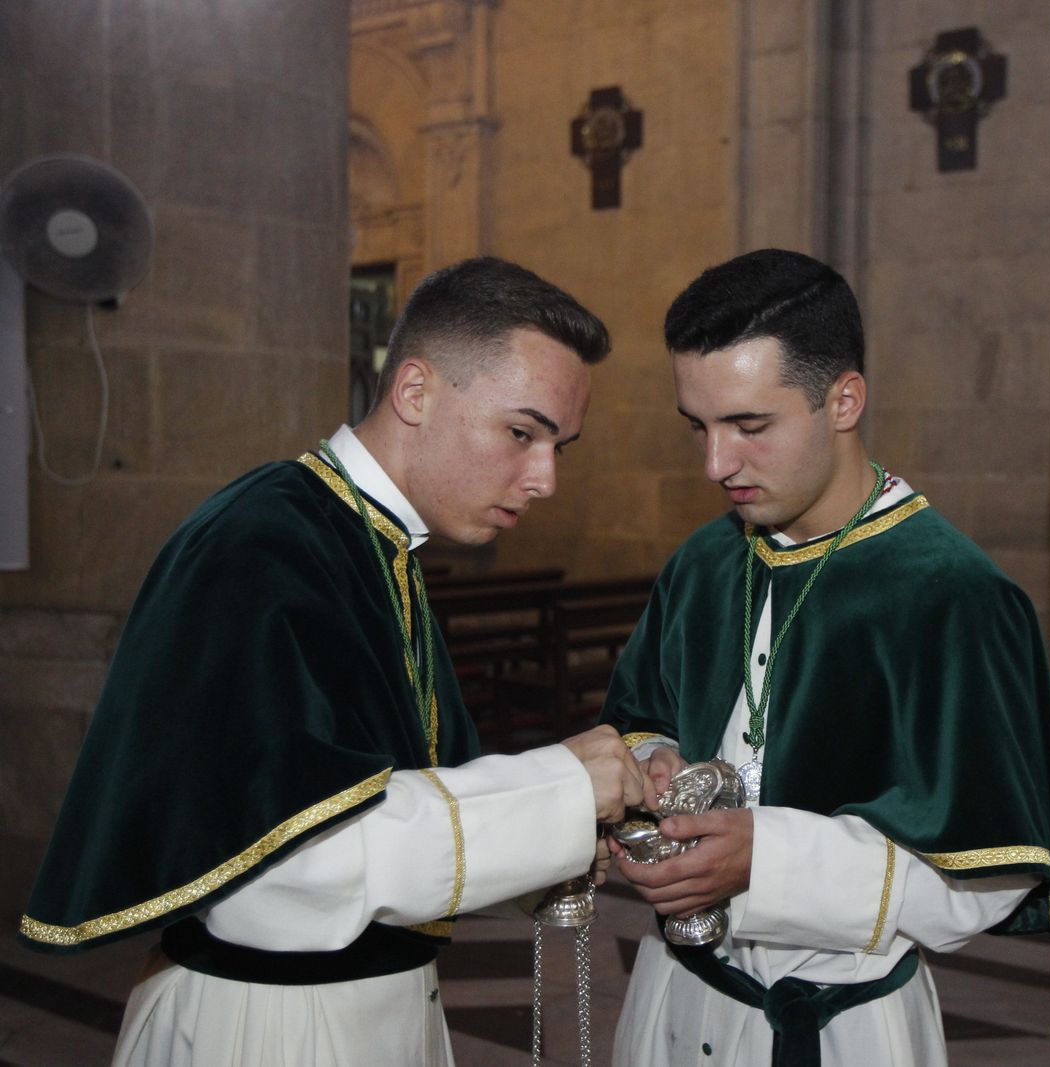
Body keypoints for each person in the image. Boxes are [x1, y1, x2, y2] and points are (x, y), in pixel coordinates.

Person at [18, 256, 649, 1066]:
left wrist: (564, 842)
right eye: (521, 433)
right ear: (414, 391)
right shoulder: (263, 543)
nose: (545, 478)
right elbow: (292, 864)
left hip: (374, 1009)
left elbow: (411, 783)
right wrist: (559, 789)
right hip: (273, 1027)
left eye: (559, 444)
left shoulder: (372, 542)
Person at [600, 248, 1050, 1066]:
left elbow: (990, 877)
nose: (715, 464)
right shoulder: (703, 563)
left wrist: (768, 857)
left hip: (838, 1025)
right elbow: (638, 715)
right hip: (668, 997)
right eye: (700, 425)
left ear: (844, 399)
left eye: (750, 425)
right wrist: (653, 762)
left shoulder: (955, 596)